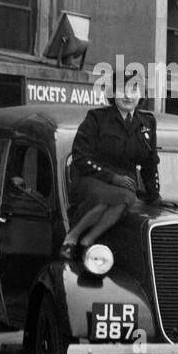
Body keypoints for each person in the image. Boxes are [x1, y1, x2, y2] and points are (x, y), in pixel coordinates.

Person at [61, 77, 159, 258]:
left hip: (124, 183)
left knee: (125, 197)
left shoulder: (147, 122)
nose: (128, 96)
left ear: (141, 95)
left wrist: (154, 195)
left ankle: (86, 240)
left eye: (134, 90)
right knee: (117, 197)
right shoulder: (97, 118)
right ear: (113, 93)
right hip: (91, 177)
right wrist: (111, 177)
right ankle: (73, 236)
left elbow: (150, 162)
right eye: (123, 90)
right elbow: (80, 157)